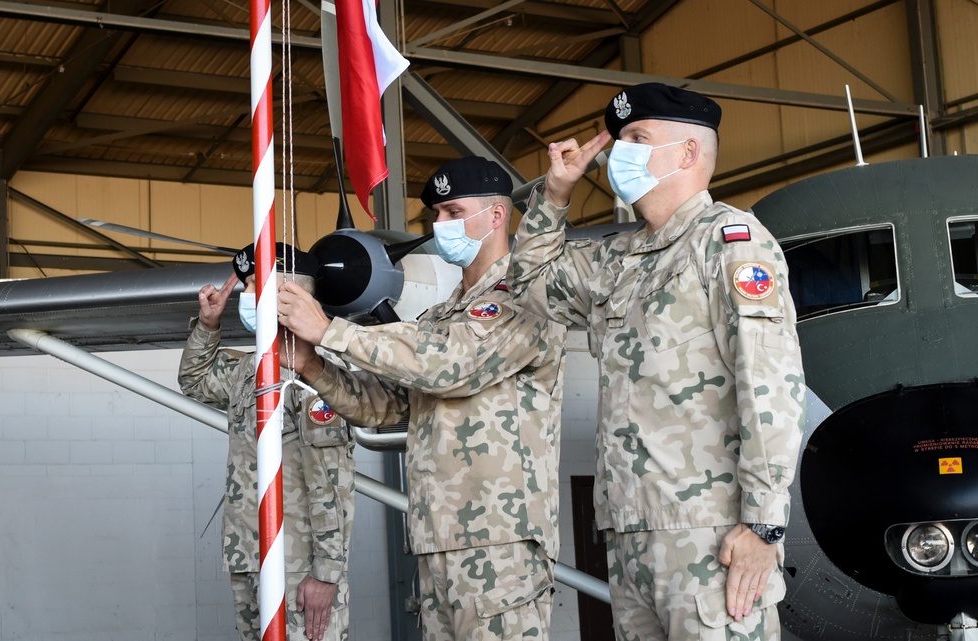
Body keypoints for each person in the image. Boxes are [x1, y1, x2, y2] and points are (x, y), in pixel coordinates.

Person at [508, 83, 806, 640]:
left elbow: (770, 382)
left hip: (710, 531)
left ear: (688, 153)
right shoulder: (619, 258)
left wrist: (763, 524)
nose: (620, 153)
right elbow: (528, 285)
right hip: (630, 530)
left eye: (637, 138)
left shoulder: (730, 241)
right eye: (619, 140)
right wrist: (553, 196)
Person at [275, 156, 568, 641]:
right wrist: (312, 365)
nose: (440, 225)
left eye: (453, 212)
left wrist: (331, 331)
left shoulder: (527, 295)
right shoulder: (441, 314)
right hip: (440, 538)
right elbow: (389, 404)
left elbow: (449, 362)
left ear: (497, 216)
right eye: (436, 214)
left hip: (501, 541)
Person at [178, 243, 355, 641]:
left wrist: (326, 575)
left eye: (256, 285)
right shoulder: (250, 368)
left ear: (290, 294)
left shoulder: (313, 375)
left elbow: (331, 482)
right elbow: (194, 380)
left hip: (297, 563)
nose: (245, 296)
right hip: (249, 552)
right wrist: (208, 326)